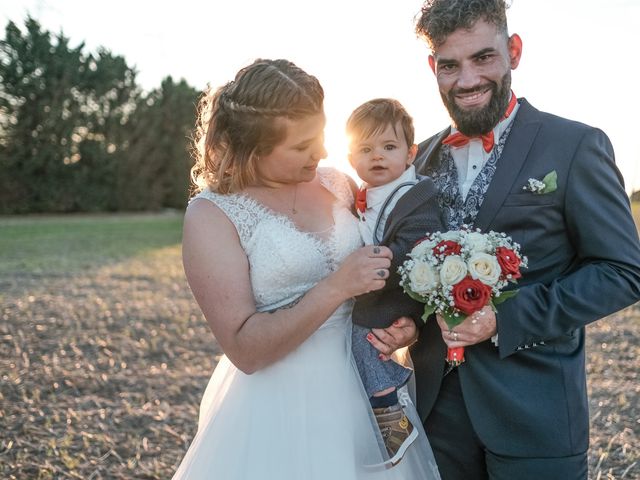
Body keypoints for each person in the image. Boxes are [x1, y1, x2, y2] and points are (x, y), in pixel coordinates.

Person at [366, 1, 640, 479]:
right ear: (433, 68)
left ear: (513, 51)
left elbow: (622, 272)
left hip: (536, 415)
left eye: (483, 58)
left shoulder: (574, 146)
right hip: (432, 415)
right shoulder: (417, 162)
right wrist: (406, 322)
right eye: (450, 65)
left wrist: (505, 318)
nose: (467, 80)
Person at [172, 58, 440, 479]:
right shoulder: (211, 216)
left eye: (319, 134)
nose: (323, 152)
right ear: (251, 149)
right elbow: (245, 349)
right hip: (279, 407)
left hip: (366, 399)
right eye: (301, 147)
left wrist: (403, 325)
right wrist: (336, 288)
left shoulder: (337, 184)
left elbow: (379, 266)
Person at [345, 98, 445, 466]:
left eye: (389, 147)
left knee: (364, 338)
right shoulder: (360, 194)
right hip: (371, 292)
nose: (377, 157)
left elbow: (420, 244)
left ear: (410, 153)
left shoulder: (414, 194)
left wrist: (375, 266)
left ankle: (391, 412)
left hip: (396, 294)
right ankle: (377, 412)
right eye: (365, 149)